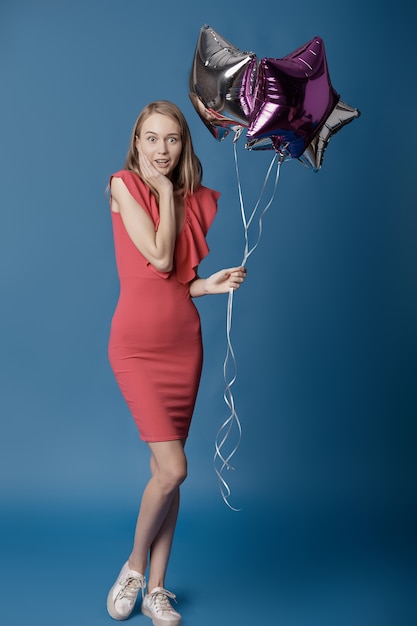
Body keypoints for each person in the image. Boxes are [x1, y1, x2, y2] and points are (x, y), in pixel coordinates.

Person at [106, 100, 246, 625]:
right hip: (136, 347)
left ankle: (156, 590)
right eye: (152, 138)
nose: (161, 150)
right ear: (137, 141)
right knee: (174, 468)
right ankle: (134, 568)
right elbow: (159, 260)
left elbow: (177, 281)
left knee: (168, 476)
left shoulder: (186, 198)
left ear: (183, 145)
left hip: (184, 345)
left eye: (172, 140)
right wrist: (164, 192)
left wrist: (208, 284)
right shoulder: (124, 184)